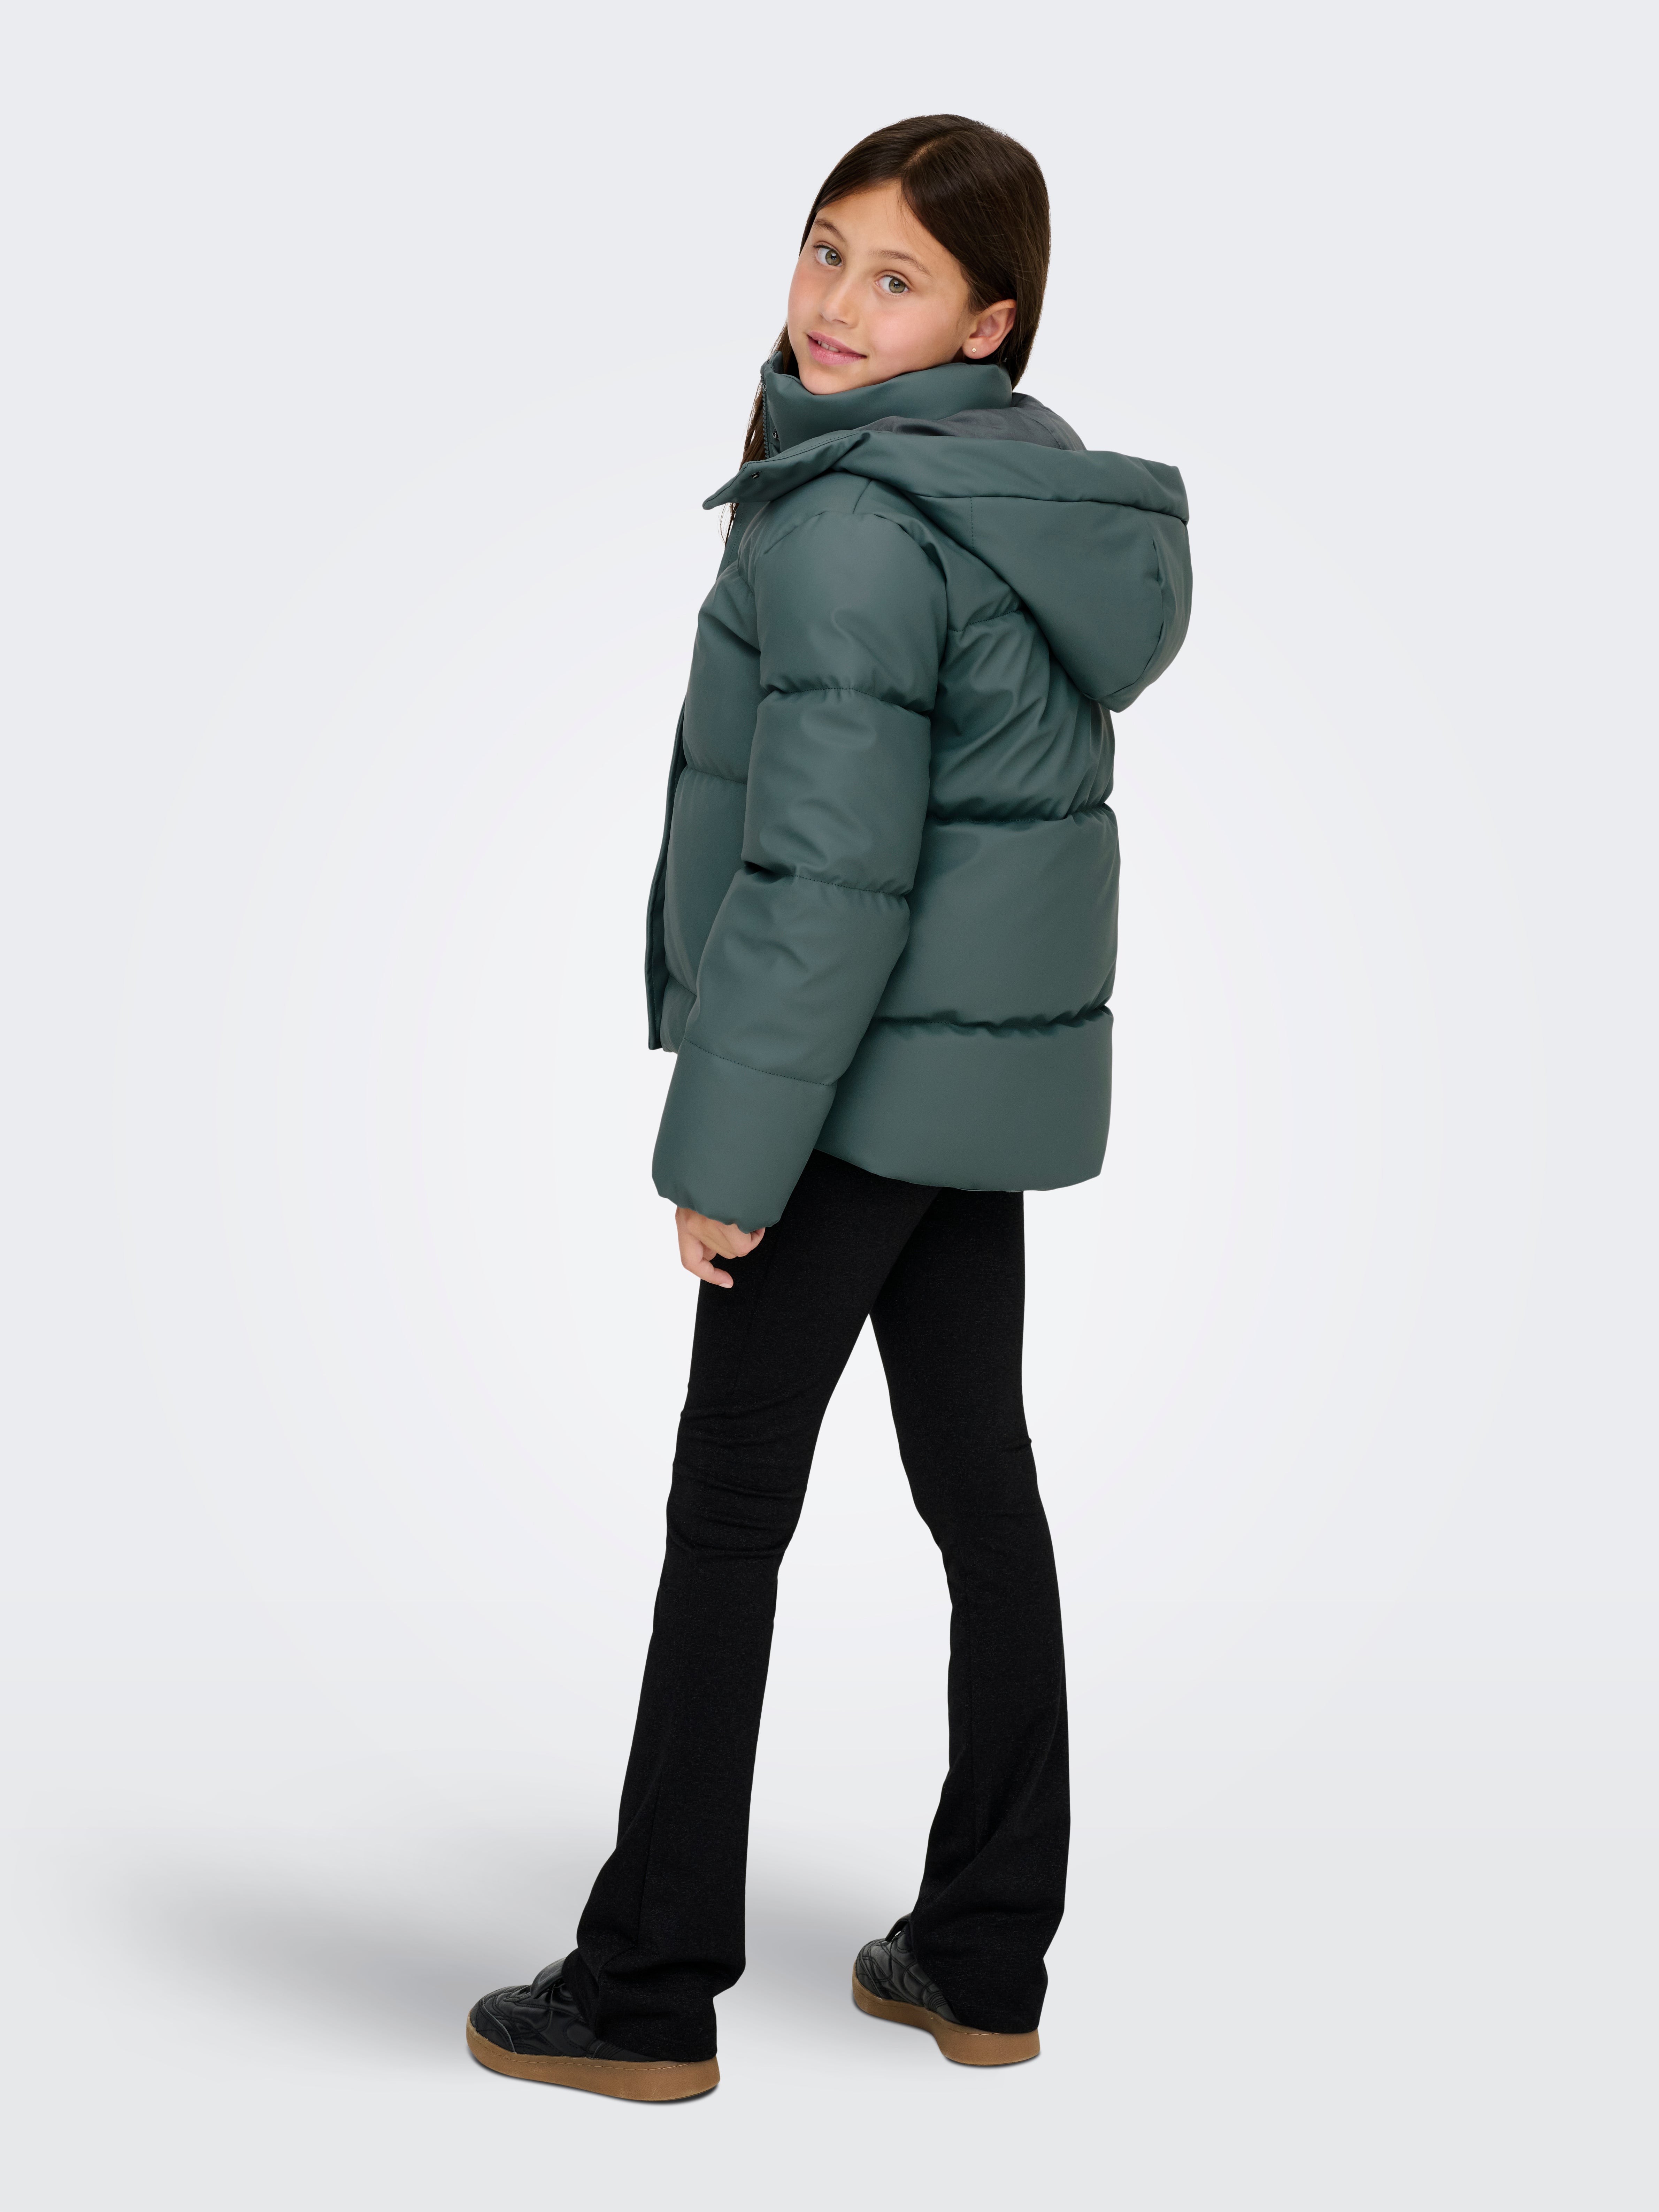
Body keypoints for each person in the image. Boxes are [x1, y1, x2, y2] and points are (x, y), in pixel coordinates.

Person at [466, 113, 1191, 2102]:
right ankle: (984, 1954)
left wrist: (730, 1153)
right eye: (824, 250)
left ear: (991, 321)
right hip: (967, 1093)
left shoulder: (859, 521)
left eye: (898, 277)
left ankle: (646, 1986)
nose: (839, 305)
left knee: (729, 1512)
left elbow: (824, 879)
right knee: (981, 1486)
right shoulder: (1017, 492)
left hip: (852, 1098)